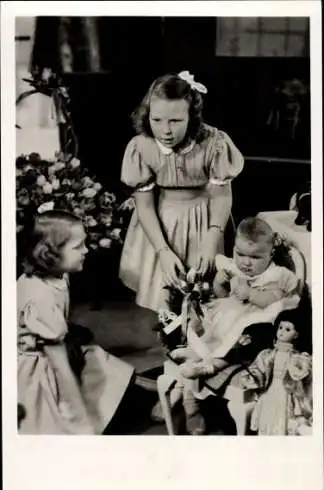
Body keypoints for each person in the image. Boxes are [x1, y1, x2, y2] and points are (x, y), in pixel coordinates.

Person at [153, 217, 302, 434]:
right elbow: (222, 295)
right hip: (227, 314)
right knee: (204, 331)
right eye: (240, 254)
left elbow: (274, 300)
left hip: (251, 322)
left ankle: (211, 368)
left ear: (270, 255)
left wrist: (251, 293)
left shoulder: (276, 275)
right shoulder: (234, 268)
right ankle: (191, 403)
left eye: (255, 257)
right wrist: (220, 282)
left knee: (229, 344)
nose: (246, 262)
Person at [119, 71, 244, 312]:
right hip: (161, 224)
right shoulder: (141, 147)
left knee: (207, 295)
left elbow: (221, 195)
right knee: (167, 297)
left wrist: (211, 240)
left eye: (175, 121)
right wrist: (162, 251)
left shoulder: (214, 143)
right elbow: (144, 204)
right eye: (157, 120)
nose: (165, 130)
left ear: (192, 117)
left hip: (207, 220)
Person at [17, 210, 134, 434]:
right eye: (78, 246)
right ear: (51, 254)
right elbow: (59, 364)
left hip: (52, 346)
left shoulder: (59, 275)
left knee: (103, 365)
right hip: (35, 368)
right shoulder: (39, 297)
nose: (86, 251)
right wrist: (81, 417)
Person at [241, 308, 312, 435]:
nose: (282, 332)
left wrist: (298, 374)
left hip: (287, 392)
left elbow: (303, 377)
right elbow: (260, 369)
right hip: (270, 390)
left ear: (296, 334)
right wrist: (254, 376)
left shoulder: (298, 357)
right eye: (280, 327)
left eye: (288, 329)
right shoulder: (267, 354)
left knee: (283, 418)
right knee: (267, 417)